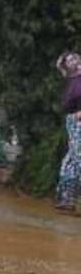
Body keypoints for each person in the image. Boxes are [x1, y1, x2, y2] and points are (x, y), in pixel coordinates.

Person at [55, 50, 81, 211]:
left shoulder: (77, 81)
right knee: (73, 158)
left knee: (77, 157)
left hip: (77, 121)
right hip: (73, 121)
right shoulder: (75, 81)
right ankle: (67, 197)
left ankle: (70, 197)